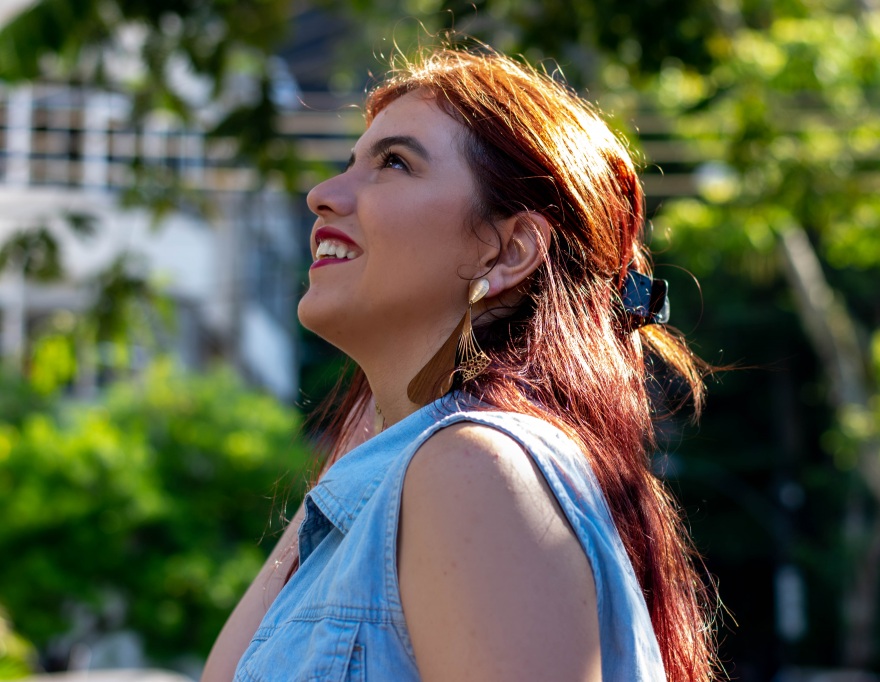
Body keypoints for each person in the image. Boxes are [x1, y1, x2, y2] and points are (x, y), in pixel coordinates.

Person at [202, 43, 717, 682]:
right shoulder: (420, 474)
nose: (323, 195)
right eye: (349, 162)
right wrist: (387, 407)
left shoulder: (473, 468)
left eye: (394, 163)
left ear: (508, 252)